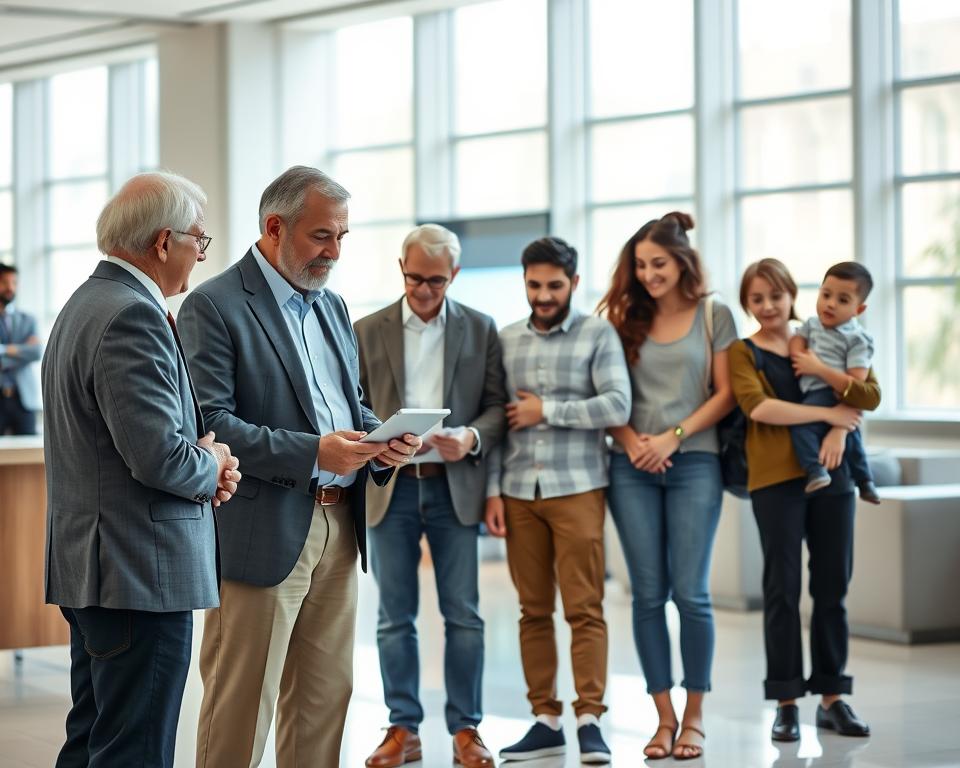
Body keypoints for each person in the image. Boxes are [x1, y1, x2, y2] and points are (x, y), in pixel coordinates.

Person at [178, 166, 421, 768]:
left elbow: (347, 403)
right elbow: (211, 425)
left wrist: (380, 440)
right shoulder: (215, 304)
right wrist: (314, 452)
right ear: (274, 227)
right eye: (321, 236)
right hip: (263, 531)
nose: (334, 252)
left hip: (340, 529)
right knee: (242, 705)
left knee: (324, 699)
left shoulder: (333, 306)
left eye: (342, 236)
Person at [42, 171, 241, 768]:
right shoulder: (133, 315)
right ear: (163, 243)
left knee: (93, 739)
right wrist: (213, 463)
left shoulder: (84, 303)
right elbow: (159, 458)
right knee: (135, 749)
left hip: (99, 568)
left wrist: (202, 462)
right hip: (138, 573)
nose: (200, 256)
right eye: (198, 242)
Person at [354, 224, 507, 768]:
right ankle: (403, 729)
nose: (424, 291)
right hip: (389, 490)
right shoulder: (365, 330)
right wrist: (378, 434)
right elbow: (350, 404)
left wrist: (469, 437)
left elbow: (496, 407)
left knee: (463, 614)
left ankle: (467, 728)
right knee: (394, 617)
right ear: (402, 269)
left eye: (436, 281)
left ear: (454, 276)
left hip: (453, 488)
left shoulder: (481, 328)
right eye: (416, 278)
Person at [485, 236, 631, 765]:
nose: (543, 296)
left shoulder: (598, 334)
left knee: (585, 608)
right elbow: (498, 420)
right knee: (532, 610)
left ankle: (590, 718)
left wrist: (548, 409)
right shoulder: (504, 340)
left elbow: (617, 404)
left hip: (578, 488)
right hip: (520, 491)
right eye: (534, 285)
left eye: (553, 285)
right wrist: (493, 491)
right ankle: (545, 720)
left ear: (573, 281)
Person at [597, 212, 735, 761]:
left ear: (683, 262)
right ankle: (663, 718)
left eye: (659, 263)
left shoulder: (713, 314)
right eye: (641, 265)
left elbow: (725, 394)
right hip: (630, 465)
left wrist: (673, 437)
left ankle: (695, 717)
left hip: (695, 461)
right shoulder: (620, 316)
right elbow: (602, 390)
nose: (650, 274)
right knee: (648, 595)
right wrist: (632, 441)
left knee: (692, 593)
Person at [730, 258, 878, 743]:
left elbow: (866, 391)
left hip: (832, 477)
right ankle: (787, 701)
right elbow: (760, 408)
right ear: (747, 304)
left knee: (833, 586)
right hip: (773, 481)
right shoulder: (742, 352)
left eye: (776, 295)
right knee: (782, 591)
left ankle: (833, 697)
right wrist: (835, 410)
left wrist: (839, 423)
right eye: (757, 298)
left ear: (793, 294)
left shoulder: (826, 334)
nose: (768, 306)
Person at [788, 262, 879, 503]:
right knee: (852, 436)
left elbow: (857, 383)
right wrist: (798, 355)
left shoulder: (858, 339)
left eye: (843, 300)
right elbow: (797, 341)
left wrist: (818, 369)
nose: (830, 303)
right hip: (814, 391)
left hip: (830, 393)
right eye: (826, 294)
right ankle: (865, 480)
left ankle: (817, 470)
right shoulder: (812, 324)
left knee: (802, 428)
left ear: (859, 309)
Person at [0, 264, 41, 434]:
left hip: (23, 400)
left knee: (28, 456)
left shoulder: (28, 320)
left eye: (14, 282)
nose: (10, 287)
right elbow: (28, 352)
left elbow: (36, 352)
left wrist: (3, 350)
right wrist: (22, 351)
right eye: (4, 282)